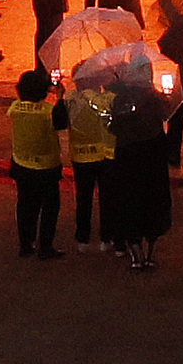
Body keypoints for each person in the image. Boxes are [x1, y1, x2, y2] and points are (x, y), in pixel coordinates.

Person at [109, 54, 173, 271]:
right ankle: (150, 254)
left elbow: (114, 127)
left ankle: (136, 255)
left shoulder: (121, 99)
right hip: (153, 156)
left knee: (130, 202)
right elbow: (168, 115)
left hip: (128, 157)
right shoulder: (154, 98)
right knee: (153, 202)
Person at [8, 67, 69, 258]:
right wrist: (59, 95)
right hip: (46, 167)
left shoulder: (15, 108)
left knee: (25, 205)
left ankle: (25, 244)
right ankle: (45, 246)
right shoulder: (48, 111)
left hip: (21, 165)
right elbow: (62, 122)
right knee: (49, 208)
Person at [67, 77, 118, 252]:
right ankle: (107, 237)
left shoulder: (71, 99)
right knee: (107, 198)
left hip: (80, 156)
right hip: (105, 155)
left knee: (83, 198)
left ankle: (82, 238)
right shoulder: (108, 99)